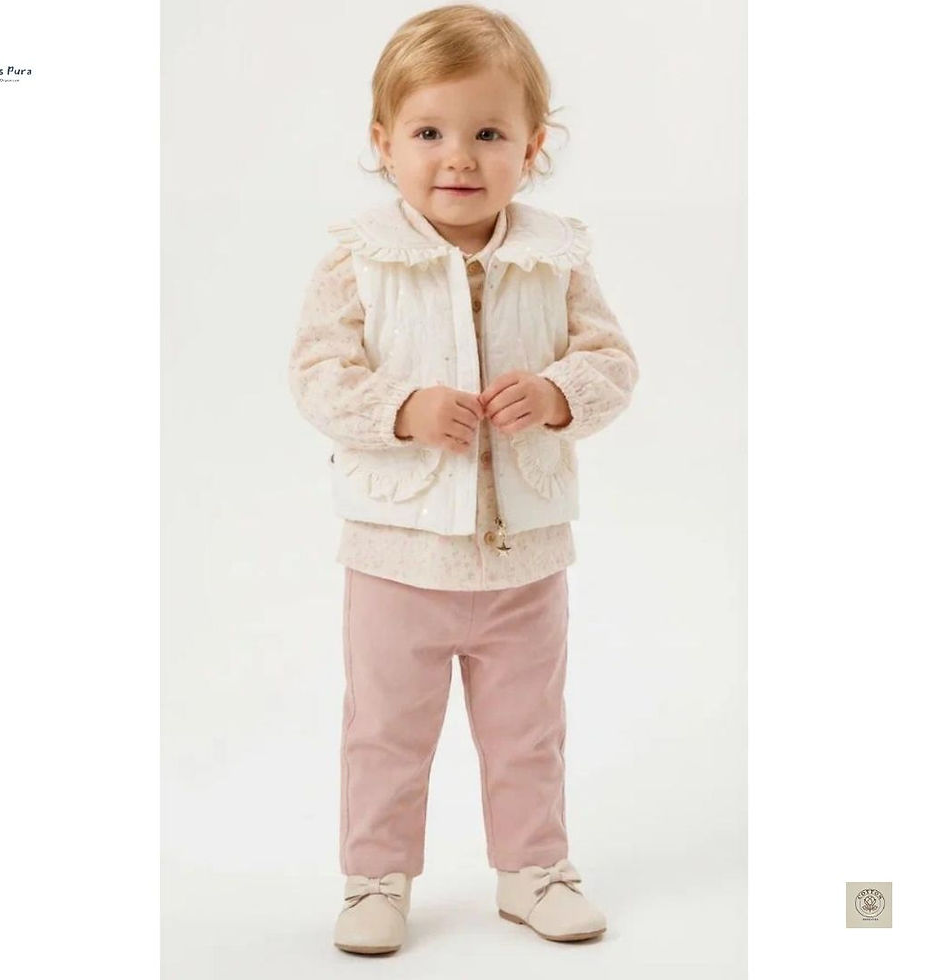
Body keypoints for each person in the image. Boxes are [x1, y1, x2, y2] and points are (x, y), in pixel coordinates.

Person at [288, 3, 640, 955]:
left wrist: (559, 394)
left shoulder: (555, 258)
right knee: (385, 732)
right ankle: (376, 879)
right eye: (429, 133)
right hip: (396, 560)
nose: (459, 158)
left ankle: (534, 870)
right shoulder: (361, 259)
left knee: (529, 730)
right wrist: (401, 410)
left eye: (489, 134)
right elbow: (317, 374)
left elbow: (612, 362)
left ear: (533, 147)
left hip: (524, 563)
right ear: (383, 143)